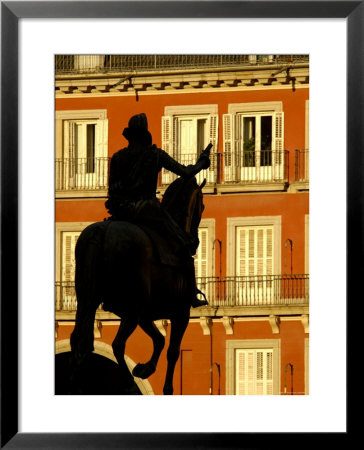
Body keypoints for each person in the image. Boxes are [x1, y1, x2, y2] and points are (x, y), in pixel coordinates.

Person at [105, 113, 211, 308]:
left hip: (120, 211)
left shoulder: (118, 157)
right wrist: (201, 163)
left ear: (129, 136)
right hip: (146, 209)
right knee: (183, 243)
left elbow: (112, 189)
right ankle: (190, 293)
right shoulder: (155, 155)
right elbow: (186, 173)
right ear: (146, 135)